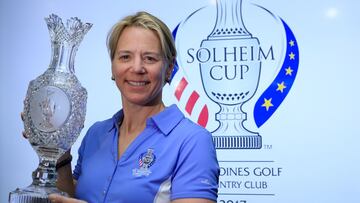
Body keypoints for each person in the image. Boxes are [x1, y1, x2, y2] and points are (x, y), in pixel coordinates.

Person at [46, 11, 219, 203]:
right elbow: (71, 197)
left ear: (169, 68)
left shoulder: (192, 141)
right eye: (125, 57)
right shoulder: (96, 134)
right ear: (113, 67)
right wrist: (60, 151)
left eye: (150, 58)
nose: (137, 68)